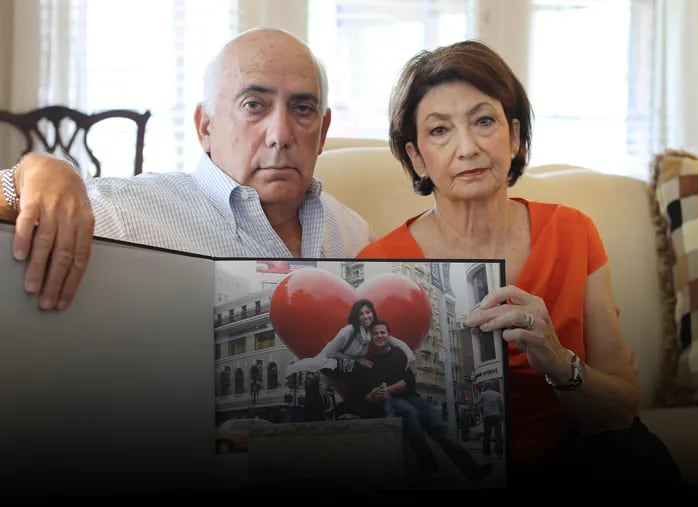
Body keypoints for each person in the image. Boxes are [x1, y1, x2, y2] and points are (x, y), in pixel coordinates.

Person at [356, 40, 697, 497]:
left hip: (573, 459)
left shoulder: (572, 231)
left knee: (631, 456)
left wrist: (555, 358)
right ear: (417, 157)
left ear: (514, 137)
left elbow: (619, 412)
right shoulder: (378, 266)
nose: (468, 147)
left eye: (484, 121)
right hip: (449, 472)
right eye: (440, 131)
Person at [0, 26, 372, 311]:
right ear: (205, 127)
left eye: (302, 109)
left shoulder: (355, 235)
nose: (280, 134)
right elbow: (26, 205)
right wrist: (31, 173)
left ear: (322, 132)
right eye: (254, 105)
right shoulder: (127, 215)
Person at [347, 319, 492, 483]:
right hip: (389, 401)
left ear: (388, 335)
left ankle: (473, 471)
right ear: (371, 337)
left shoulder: (400, 354)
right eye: (375, 333)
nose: (379, 336)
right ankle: (429, 467)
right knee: (410, 413)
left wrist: (388, 389)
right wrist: (373, 395)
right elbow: (365, 393)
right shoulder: (368, 361)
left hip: (410, 396)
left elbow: (408, 381)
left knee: (439, 426)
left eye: (382, 332)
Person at [285, 298, 416, 419]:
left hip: (349, 368)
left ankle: (348, 410)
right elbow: (328, 352)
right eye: (361, 314)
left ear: (373, 313)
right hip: (329, 365)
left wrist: (411, 359)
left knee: (363, 377)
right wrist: (356, 360)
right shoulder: (349, 331)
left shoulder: (371, 331)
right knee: (360, 372)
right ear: (356, 316)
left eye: (368, 312)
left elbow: (397, 342)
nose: (366, 316)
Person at [474, 382, 504, 459]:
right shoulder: (498, 394)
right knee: (498, 435)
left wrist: (482, 406)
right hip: (496, 416)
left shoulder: (483, 394)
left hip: (487, 416)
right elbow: (501, 405)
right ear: (492, 386)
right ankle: (499, 452)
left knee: (487, 434)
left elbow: (476, 403)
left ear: (485, 387)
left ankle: (486, 452)